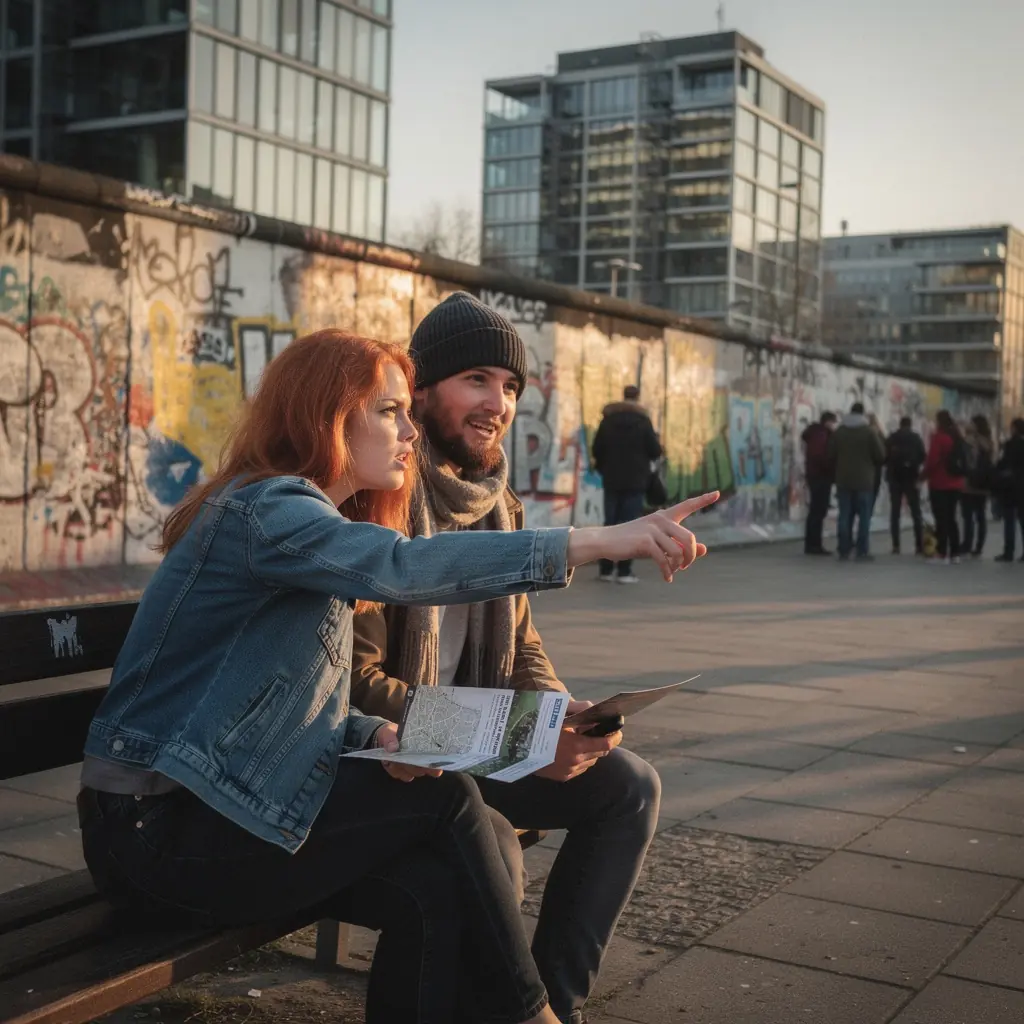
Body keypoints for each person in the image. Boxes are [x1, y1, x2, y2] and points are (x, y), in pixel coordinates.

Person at [75, 329, 716, 1024]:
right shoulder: (267, 512)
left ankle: (545, 1006)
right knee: (448, 804)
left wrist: (383, 731)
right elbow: (404, 569)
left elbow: (292, 702)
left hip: (223, 805)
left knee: (437, 885)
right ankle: (532, 1016)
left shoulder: (322, 520)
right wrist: (596, 539)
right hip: (158, 830)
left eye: (510, 387)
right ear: (328, 413)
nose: (408, 429)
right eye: (389, 410)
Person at [348, 295, 668, 1024]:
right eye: (479, 380)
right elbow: (358, 687)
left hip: (476, 741)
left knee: (628, 785)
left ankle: (557, 1003)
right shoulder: (376, 498)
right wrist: (512, 733)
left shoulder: (499, 504)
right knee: (484, 848)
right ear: (420, 391)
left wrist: (558, 714)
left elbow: (522, 644)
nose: (499, 402)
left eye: (512, 387)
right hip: (398, 756)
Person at [592, 384, 663, 583]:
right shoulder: (643, 421)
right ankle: (624, 571)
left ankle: (605, 570)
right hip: (636, 481)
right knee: (630, 526)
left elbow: (597, 448)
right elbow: (655, 451)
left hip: (612, 480)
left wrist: (606, 466)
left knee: (610, 525)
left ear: (623, 396)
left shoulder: (607, 421)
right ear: (637, 397)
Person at [827, 401, 885, 561]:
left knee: (844, 515)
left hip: (843, 480)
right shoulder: (869, 432)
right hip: (864, 481)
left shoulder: (839, 432)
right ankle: (862, 550)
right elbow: (880, 455)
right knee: (864, 517)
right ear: (863, 413)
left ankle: (844, 549)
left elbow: (830, 454)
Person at [922, 409, 967, 564]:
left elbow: (932, 461)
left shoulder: (939, 437)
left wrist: (923, 476)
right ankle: (955, 553)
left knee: (941, 519)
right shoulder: (957, 437)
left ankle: (942, 553)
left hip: (940, 483)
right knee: (951, 518)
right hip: (956, 483)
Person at [885, 416, 926, 555]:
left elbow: (885, 456)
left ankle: (896, 545)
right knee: (915, 512)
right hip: (911, 477)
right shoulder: (916, 438)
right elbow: (923, 456)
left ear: (900, 424)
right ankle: (919, 545)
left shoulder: (892, 438)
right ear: (910, 425)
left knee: (895, 512)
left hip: (895, 478)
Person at [801, 411, 837, 556]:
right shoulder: (821, 434)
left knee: (816, 511)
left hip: (815, 476)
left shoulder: (816, 433)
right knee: (818, 511)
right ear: (827, 421)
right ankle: (814, 545)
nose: (834, 425)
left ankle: (812, 543)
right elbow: (820, 456)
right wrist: (830, 467)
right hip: (821, 477)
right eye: (833, 422)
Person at [961, 415, 995, 558]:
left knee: (969, 516)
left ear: (976, 425)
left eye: (971, 422)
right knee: (980, 516)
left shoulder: (971, 441)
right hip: (984, 484)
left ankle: (967, 544)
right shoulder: (990, 442)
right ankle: (978, 546)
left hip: (970, 483)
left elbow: (968, 461)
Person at [994, 417, 1024, 562]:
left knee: (1009, 520)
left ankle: (1009, 551)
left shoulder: (1009, 445)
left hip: (1011, 486)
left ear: (1014, 428)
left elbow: (1002, 463)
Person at [868, 413, 887, 513]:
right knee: (875, 487)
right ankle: (870, 508)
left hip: (866, 465)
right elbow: (884, 447)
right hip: (877, 465)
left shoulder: (865, 432)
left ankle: (867, 509)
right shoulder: (879, 432)